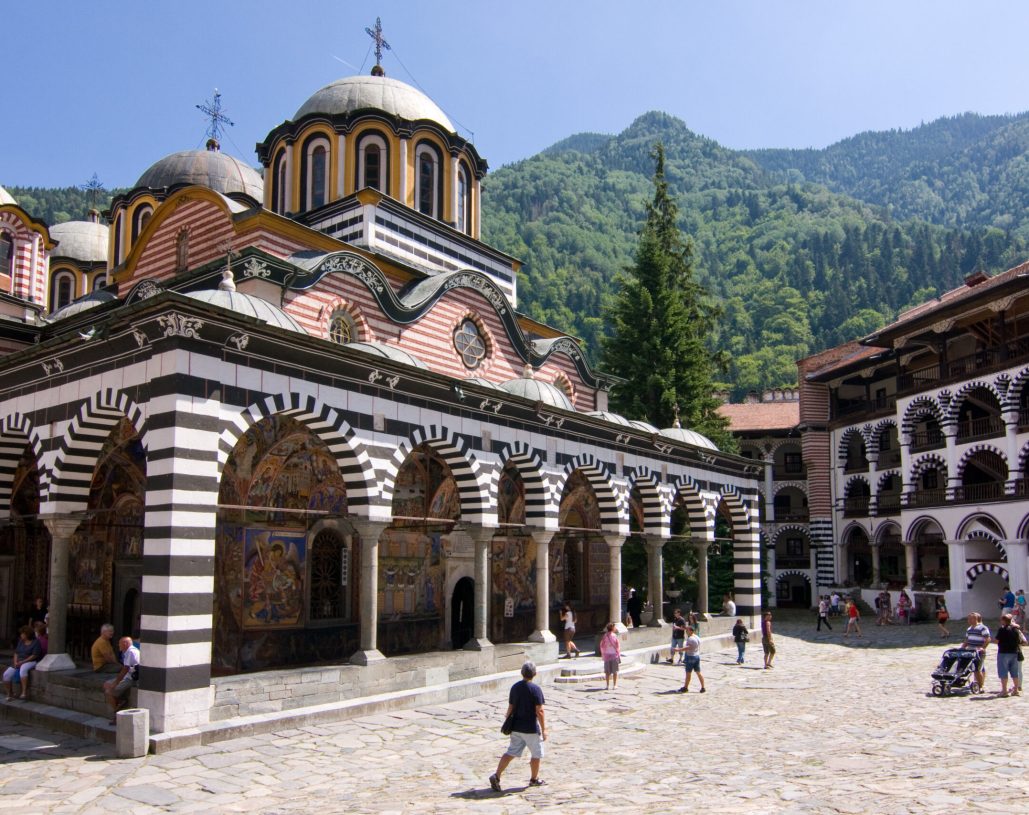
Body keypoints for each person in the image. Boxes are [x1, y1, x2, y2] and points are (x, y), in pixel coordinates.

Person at [490, 660, 546, 792]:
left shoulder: (515, 687)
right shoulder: (536, 689)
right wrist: (544, 729)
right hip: (531, 728)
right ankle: (534, 779)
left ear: (522, 673)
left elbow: (511, 706)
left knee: (511, 752)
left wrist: (507, 720)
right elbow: (539, 711)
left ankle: (497, 775)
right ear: (535, 674)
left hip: (516, 727)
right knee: (536, 754)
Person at [104, 636, 141, 723]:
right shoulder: (129, 651)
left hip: (131, 678)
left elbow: (125, 669)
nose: (118, 645)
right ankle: (121, 702)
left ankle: (117, 714)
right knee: (106, 684)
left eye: (120, 643)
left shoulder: (131, 652)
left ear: (125, 644)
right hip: (128, 676)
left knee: (108, 692)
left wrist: (115, 683)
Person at [3, 626, 43, 701]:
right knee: (6, 674)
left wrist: (23, 662)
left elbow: (35, 655)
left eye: (22, 634)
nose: (21, 635)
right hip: (19, 661)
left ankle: (24, 692)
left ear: (27, 634)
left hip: (30, 661)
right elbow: (16, 653)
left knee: (23, 669)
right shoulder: (21, 642)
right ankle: (10, 693)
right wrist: (15, 662)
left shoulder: (35, 642)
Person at [992, 614, 1026, 698]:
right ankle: (1016, 690)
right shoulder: (1016, 629)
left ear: (1004, 620)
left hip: (1003, 652)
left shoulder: (1002, 629)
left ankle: (1004, 691)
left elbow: (996, 641)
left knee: (1003, 672)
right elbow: (1021, 641)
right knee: (1015, 672)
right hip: (1014, 653)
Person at [962, 612, 991, 692]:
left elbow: (988, 639)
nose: (968, 620)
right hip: (970, 652)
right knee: (979, 668)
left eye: (970, 619)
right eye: (968, 619)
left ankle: (981, 686)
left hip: (978, 652)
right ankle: (979, 683)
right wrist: (962, 647)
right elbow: (967, 640)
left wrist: (982, 648)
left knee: (977, 669)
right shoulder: (969, 629)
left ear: (975, 619)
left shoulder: (982, 628)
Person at [674, 625, 705, 693]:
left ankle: (685, 687)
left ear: (691, 631)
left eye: (687, 630)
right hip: (697, 656)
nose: (686, 631)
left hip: (690, 656)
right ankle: (703, 687)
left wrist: (678, 649)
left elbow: (688, 647)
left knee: (688, 673)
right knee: (698, 672)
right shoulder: (697, 637)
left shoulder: (690, 639)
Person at [598, 622, 621, 690]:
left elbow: (601, 645)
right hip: (614, 655)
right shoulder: (614, 636)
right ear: (612, 628)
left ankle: (607, 685)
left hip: (607, 655)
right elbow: (617, 645)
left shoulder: (605, 636)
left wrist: (603, 653)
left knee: (607, 672)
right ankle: (615, 685)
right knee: (615, 671)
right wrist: (618, 653)